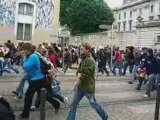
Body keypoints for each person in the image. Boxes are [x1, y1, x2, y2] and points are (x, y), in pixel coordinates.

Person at [66, 43, 108, 120]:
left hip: (88, 88)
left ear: (87, 50)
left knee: (94, 104)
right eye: (80, 49)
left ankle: (104, 116)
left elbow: (86, 72)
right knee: (73, 105)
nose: (80, 51)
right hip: (80, 87)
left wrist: (80, 73)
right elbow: (79, 72)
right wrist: (78, 73)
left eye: (82, 49)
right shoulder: (83, 59)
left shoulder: (90, 60)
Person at [18, 43, 60, 119]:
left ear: (28, 50)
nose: (23, 52)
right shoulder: (31, 56)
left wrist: (23, 57)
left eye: (24, 50)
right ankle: (57, 104)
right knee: (44, 96)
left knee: (28, 97)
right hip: (39, 79)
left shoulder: (33, 56)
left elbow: (26, 67)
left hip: (37, 80)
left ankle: (25, 115)